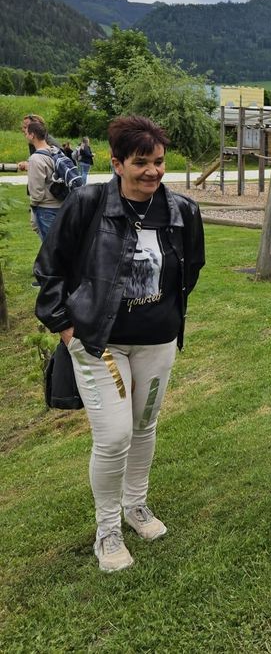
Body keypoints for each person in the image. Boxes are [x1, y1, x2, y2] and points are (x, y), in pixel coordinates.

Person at [34, 116, 205, 572]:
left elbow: (193, 265)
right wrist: (66, 328)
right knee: (113, 436)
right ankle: (107, 527)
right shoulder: (88, 203)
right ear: (116, 163)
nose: (152, 171)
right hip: (98, 342)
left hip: (157, 342)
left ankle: (136, 506)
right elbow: (49, 269)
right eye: (141, 163)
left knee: (144, 427)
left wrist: (168, 313)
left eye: (159, 162)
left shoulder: (181, 210)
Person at [23, 117, 63, 240]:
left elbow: (37, 192)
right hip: (60, 204)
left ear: (32, 135)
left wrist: (34, 206)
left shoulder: (36, 158)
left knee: (49, 249)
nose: (24, 135)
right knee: (58, 245)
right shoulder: (55, 151)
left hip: (46, 208)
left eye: (26, 132)